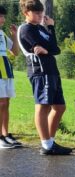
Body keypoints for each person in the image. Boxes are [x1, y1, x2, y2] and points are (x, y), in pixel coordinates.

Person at [18, 0, 71, 155]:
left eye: (41, 12)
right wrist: (46, 50)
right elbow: (39, 48)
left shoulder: (41, 28)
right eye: (36, 13)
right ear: (26, 13)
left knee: (60, 107)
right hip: (40, 71)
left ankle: (50, 141)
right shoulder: (26, 29)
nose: (40, 15)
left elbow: (55, 49)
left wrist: (51, 27)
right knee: (42, 106)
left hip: (52, 70)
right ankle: (46, 145)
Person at [0, 5, 21, 149]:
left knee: (6, 103)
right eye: (0, 16)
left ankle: (5, 134)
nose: (3, 19)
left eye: (3, 16)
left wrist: (14, 35)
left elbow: (15, 52)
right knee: (0, 103)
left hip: (6, 70)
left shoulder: (1, 33)